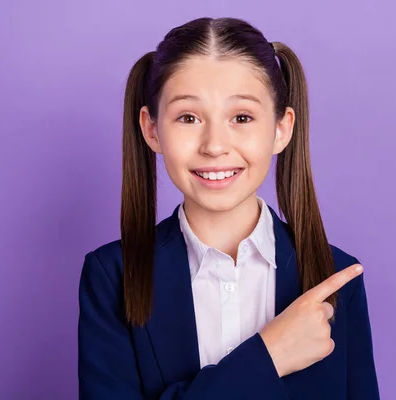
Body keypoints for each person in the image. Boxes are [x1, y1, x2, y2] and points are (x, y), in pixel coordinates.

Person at [78, 16, 380, 400]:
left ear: (281, 129)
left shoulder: (335, 278)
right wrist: (268, 356)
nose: (214, 145)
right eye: (188, 117)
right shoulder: (111, 277)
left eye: (242, 117)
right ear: (152, 129)